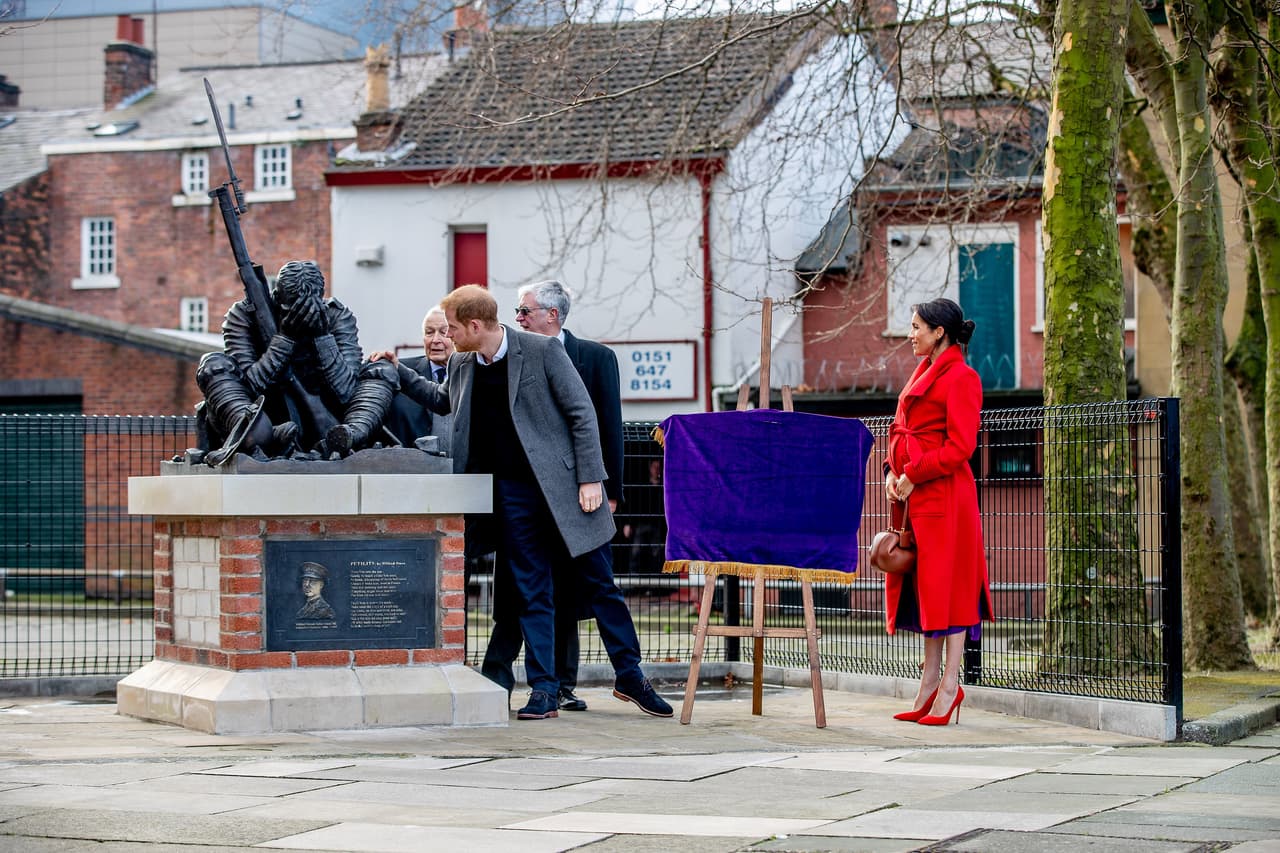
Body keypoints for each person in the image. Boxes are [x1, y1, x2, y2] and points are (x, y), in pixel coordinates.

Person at [370, 285, 672, 721]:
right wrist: (398, 371)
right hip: (513, 497)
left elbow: (582, 413)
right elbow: (443, 399)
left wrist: (592, 479)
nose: (447, 336)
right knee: (533, 593)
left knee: (601, 587)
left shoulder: (543, 351)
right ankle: (544, 690)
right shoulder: (462, 363)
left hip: (567, 492)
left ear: (475, 325)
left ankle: (631, 676)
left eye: (452, 328)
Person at [481, 280, 624, 713]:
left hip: (578, 495)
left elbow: (605, 424)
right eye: (517, 311)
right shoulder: (511, 355)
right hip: (523, 496)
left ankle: (563, 683)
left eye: (524, 311)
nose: (518, 318)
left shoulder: (595, 358)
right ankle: (522, 682)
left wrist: (606, 489)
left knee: (579, 589)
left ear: (553, 315)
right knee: (527, 588)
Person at [883, 297, 994, 726]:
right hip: (915, 498)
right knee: (927, 592)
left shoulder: (963, 378)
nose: (910, 334)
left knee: (951, 591)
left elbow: (961, 446)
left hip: (946, 499)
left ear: (939, 332)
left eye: (916, 327)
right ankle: (929, 683)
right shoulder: (922, 372)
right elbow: (900, 429)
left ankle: (950, 686)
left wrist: (913, 473)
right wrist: (893, 472)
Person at [197, 260, 399, 462]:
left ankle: (351, 435)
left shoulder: (336, 315)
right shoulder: (244, 315)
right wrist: (285, 339)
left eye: (310, 310)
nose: (303, 317)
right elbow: (250, 387)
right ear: (277, 297)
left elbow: (347, 391)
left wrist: (322, 337)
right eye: (293, 310)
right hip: (266, 415)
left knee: (383, 369)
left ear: (321, 299)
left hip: (331, 416)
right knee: (213, 364)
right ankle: (260, 434)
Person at [382, 306, 455, 454]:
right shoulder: (398, 372)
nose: (435, 340)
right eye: (429, 332)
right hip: (410, 465)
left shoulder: (472, 374)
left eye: (443, 332)